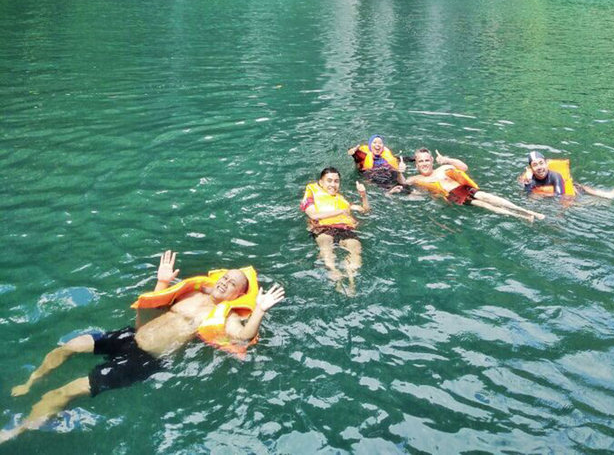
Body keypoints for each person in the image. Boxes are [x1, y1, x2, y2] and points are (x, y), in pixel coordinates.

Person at [2, 251, 284, 443]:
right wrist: (162, 280)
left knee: (64, 391)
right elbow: (156, 302)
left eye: (232, 282)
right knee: (68, 346)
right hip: (131, 336)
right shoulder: (196, 290)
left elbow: (244, 336)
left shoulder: (228, 316)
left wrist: (258, 310)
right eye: (225, 276)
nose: (224, 281)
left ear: (239, 294)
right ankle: (31, 381)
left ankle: (17, 429)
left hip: (145, 360)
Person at [390, 148, 543, 222]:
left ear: (431, 160)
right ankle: (521, 216)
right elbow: (403, 183)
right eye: (420, 161)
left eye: (426, 160)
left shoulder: (442, 168)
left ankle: (527, 211)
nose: (424, 164)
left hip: (463, 188)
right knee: (485, 205)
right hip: (454, 196)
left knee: (488, 196)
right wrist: (399, 171)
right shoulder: (415, 178)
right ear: (416, 164)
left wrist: (447, 160)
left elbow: (463, 168)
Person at [300, 167, 370, 295]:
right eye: (329, 181)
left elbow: (364, 211)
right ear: (321, 182)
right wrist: (339, 211)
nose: (333, 184)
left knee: (355, 248)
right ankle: (334, 272)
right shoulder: (311, 195)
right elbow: (313, 215)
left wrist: (363, 196)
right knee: (326, 244)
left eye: (336, 181)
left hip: (345, 229)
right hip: (323, 229)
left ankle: (351, 279)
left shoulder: (342, 200)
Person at [520, 151, 614, 199]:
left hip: (577, 189)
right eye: (535, 165)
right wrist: (528, 182)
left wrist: (541, 195)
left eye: (541, 163)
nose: (539, 167)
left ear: (546, 163)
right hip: (551, 193)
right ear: (531, 168)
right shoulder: (531, 179)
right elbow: (527, 193)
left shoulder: (555, 176)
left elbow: (560, 195)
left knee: (609, 197)